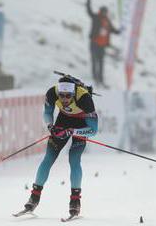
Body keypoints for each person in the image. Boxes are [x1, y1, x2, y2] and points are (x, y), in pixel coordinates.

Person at [23, 76, 98, 216]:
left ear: (74, 93)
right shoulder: (52, 93)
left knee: (74, 159)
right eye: (61, 95)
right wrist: (51, 127)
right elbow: (47, 113)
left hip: (82, 124)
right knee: (48, 158)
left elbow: (93, 130)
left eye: (68, 96)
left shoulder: (84, 99)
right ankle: (34, 197)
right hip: (62, 121)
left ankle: (75, 201)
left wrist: (72, 131)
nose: (64, 99)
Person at [86, 0, 121, 88]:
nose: (105, 13)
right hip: (94, 43)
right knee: (94, 61)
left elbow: (113, 30)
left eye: (106, 12)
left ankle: (101, 79)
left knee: (101, 63)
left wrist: (121, 30)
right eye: (103, 11)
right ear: (100, 11)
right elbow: (88, 10)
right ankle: (95, 78)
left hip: (102, 46)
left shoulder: (107, 21)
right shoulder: (96, 17)